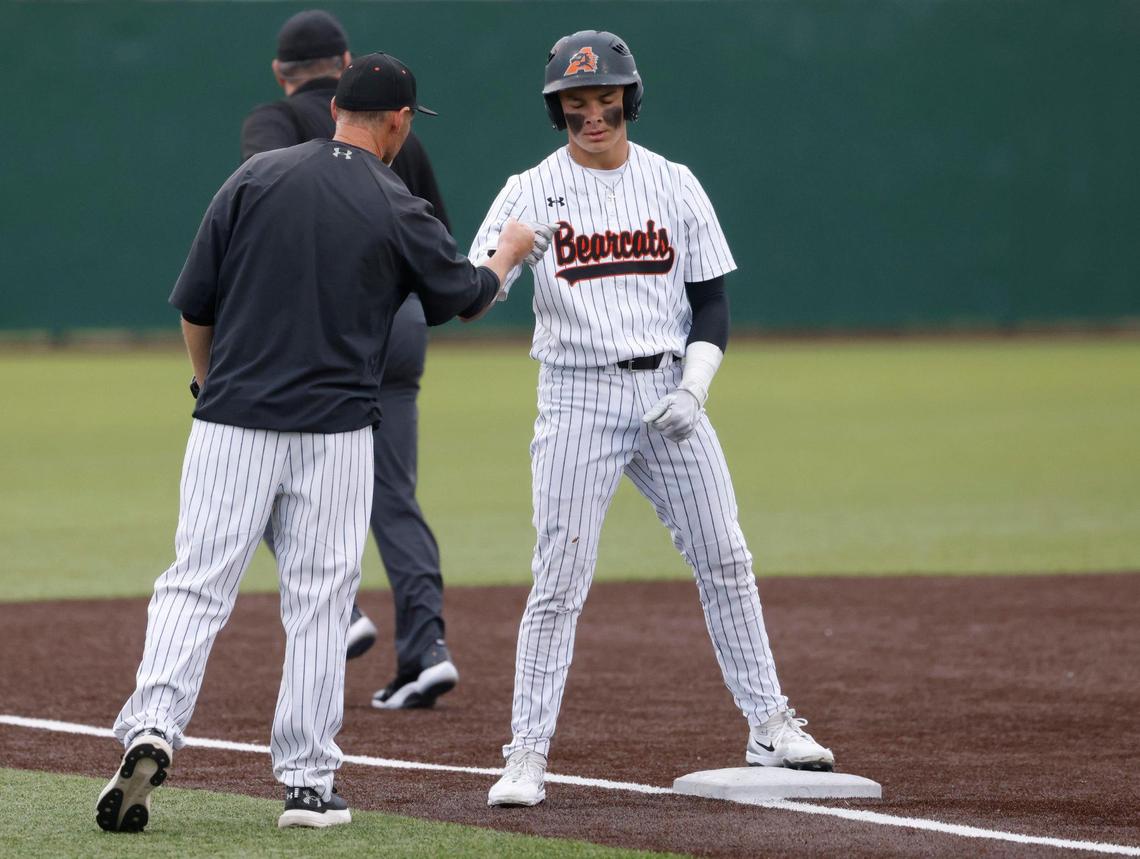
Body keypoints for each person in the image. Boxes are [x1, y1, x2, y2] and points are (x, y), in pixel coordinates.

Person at [95, 52, 545, 832]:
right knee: (319, 604)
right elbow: (463, 297)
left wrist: (207, 387)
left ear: (336, 106)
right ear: (399, 121)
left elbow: (194, 305)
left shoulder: (254, 178)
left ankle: (150, 727)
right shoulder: (395, 199)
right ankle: (307, 782)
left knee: (195, 582)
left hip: (232, 420)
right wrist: (507, 251)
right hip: (335, 433)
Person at [469, 30, 837, 808]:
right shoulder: (530, 189)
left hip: (669, 389)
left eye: (606, 100)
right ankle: (526, 755)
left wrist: (696, 387)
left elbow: (711, 301)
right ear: (557, 112)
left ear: (629, 100)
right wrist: (504, 257)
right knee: (559, 579)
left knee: (725, 555)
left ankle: (768, 721)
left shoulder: (673, 183)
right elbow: (474, 293)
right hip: (576, 397)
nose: (593, 117)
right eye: (576, 106)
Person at [241, 9, 460, 710]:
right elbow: (437, 248)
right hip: (396, 327)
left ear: (283, 73)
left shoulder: (273, 124)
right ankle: (425, 650)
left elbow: (261, 203)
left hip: (314, 333)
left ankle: (339, 613)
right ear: (344, 57)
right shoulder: (401, 133)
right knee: (392, 491)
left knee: (259, 470)